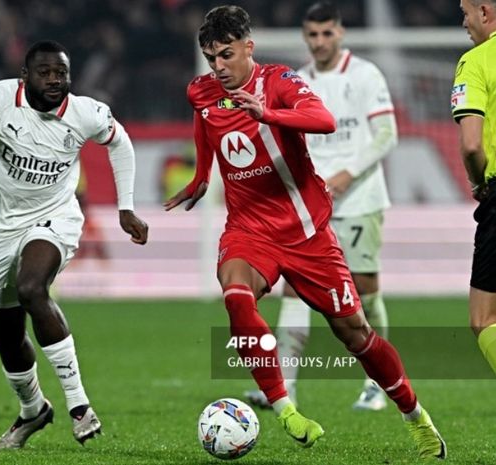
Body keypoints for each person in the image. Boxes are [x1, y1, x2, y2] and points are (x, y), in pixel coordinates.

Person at [165, 5, 445, 459]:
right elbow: (205, 125)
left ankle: (417, 417)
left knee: (355, 335)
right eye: (211, 56)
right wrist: (201, 176)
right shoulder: (203, 91)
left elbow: (323, 120)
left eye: (227, 55)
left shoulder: (278, 82)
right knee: (236, 295)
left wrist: (269, 115)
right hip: (248, 230)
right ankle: (284, 407)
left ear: (248, 48)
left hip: (306, 232)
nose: (218, 66)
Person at [0, 40, 148, 449]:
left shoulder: (85, 112)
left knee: (32, 288)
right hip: (0, 226)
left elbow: (121, 142)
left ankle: (79, 405)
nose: (54, 81)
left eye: (61, 73)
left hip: (56, 217)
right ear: (25, 76)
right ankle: (33, 410)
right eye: (45, 73)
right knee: (5, 332)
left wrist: (126, 208)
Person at [244, 1, 397, 412]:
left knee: (363, 293)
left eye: (327, 33)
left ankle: (377, 382)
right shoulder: (298, 81)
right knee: (293, 289)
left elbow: (386, 135)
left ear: (341, 33)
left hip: (359, 199)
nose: (320, 42)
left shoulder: (365, 75)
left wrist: (345, 176)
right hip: (310, 207)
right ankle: (284, 389)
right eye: (312, 35)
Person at [452, 1, 496, 463]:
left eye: (463, 11)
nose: (461, 22)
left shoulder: (476, 61)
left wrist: (479, 183)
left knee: (486, 318)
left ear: (484, 11)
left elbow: (472, 143)